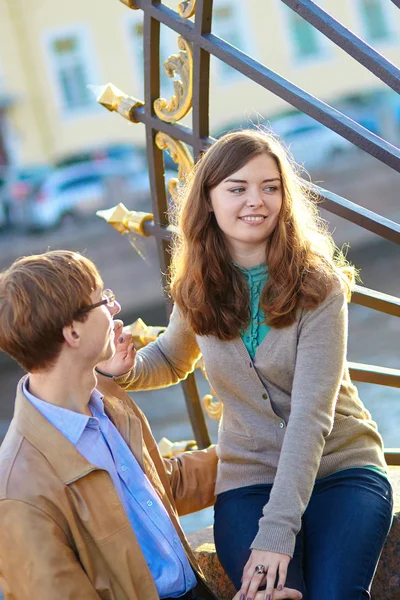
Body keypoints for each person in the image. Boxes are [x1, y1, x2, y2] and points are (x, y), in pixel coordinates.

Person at [99, 130, 393, 600]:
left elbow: (311, 415)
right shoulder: (197, 287)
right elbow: (173, 359)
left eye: (270, 187)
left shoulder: (320, 288)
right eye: (237, 188)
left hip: (341, 469)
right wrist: (121, 370)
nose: (256, 201)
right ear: (209, 200)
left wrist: (278, 533)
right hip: (249, 480)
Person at [0, 250, 300, 600]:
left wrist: (272, 449)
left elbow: (157, 488)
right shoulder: (16, 492)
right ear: (73, 334)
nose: (115, 308)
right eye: (102, 300)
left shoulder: (106, 398)